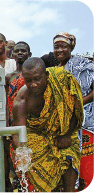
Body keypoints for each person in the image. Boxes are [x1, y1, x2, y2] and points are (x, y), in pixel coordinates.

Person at [12, 57, 83, 192]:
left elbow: (75, 109)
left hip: (64, 129)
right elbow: (18, 132)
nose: (33, 84)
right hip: (37, 134)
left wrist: (66, 134)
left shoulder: (61, 81)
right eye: (28, 80)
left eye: (37, 79)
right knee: (35, 163)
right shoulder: (21, 100)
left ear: (46, 75)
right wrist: (22, 153)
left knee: (68, 155)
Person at [53, 32, 94, 190]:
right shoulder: (55, 70)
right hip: (65, 126)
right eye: (56, 47)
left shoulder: (83, 63)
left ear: (71, 47)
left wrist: (76, 105)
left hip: (85, 123)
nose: (59, 50)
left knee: (86, 163)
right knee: (69, 164)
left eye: (64, 46)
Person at [4, 41, 32, 191]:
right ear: (12, 54)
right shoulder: (9, 77)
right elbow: (5, 100)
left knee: (30, 152)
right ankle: (20, 182)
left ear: (30, 54)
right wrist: (7, 122)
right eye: (17, 51)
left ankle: (28, 184)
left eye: (24, 51)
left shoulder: (33, 75)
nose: (20, 53)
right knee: (15, 153)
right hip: (14, 122)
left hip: (30, 120)